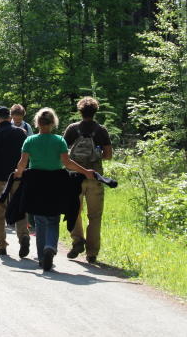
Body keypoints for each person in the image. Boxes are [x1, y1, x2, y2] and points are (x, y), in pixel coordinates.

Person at [15, 107, 94, 271]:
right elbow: (68, 163)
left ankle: (43, 257)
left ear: (37, 123)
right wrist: (86, 171)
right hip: (56, 182)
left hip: (36, 183)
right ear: (53, 123)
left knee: (39, 220)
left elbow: (22, 164)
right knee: (52, 219)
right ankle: (50, 246)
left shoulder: (30, 141)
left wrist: (18, 173)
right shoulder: (59, 140)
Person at [63, 96, 113, 264]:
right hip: (94, 176)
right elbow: (108, 155)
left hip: (73, 177)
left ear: (80, 111)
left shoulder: (72, 128)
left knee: (74, 211)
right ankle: (92, 253)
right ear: (95, 111)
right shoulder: (101, 130)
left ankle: (77, 242)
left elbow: (62, 153)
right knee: (95, 215)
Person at [0, 106, 30, 257]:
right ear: (9, 117)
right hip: (18, 176)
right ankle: (23, 236)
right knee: (19, 208)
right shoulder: (21, 133)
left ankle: (1, 245)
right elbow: (26, 155)